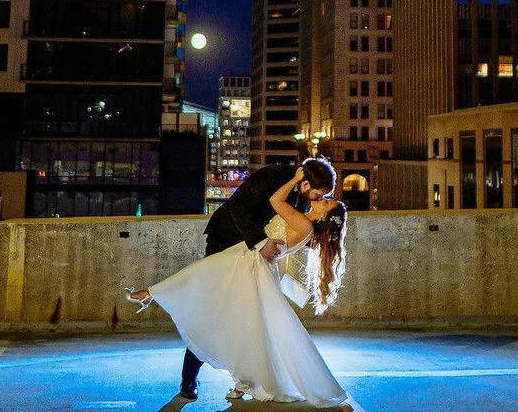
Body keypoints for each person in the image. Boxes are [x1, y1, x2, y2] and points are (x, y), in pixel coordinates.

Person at [125, 159, 350, 404]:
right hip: (229, 240)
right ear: (306, 184)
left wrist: (271, 247)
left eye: (324, 199)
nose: (320, 198)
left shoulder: (304, 208)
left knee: (228, 316)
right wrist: (262, 244)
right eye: (320, 194)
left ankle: (240, 379)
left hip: (250, 259)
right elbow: (238, 208)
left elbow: (286, 224)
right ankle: (197, 377)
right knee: (214, 305)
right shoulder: (272, 177)